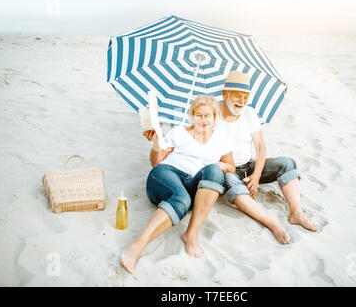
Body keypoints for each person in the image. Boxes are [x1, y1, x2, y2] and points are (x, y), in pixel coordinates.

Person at [121, 95, 235, 273]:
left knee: (213, 171)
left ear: (215, 117)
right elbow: (156, 163)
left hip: (193, 183)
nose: (203, 120)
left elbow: (232, 166)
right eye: (199, 115)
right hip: (166, 175)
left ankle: (191, 234)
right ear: (192, 116)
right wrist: (156, 146)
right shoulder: (179, 132)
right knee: (181, 198)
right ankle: (136, 247)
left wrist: (222, 165)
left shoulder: (221, 139)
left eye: (207, 115)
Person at [217, 71, 318, 245]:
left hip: (248, 166)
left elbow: (261, 148)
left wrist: (256, 176)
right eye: (237, 96)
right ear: (225, 94)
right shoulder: (212, 114)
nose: (242, 101)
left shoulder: (249, 113)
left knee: (287, 163)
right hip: (227, 169)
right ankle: (273, 224)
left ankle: (296, 213)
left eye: (245, 97)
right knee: (230, 180)